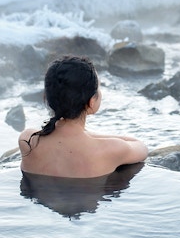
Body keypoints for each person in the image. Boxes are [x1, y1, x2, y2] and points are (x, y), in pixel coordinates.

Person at [18, 55, 148, 178]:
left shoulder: (28, 140)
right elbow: (141, 147)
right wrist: (91, 136)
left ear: (48, 97)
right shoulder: (112, 149)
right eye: (99, 88)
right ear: (91, 102)